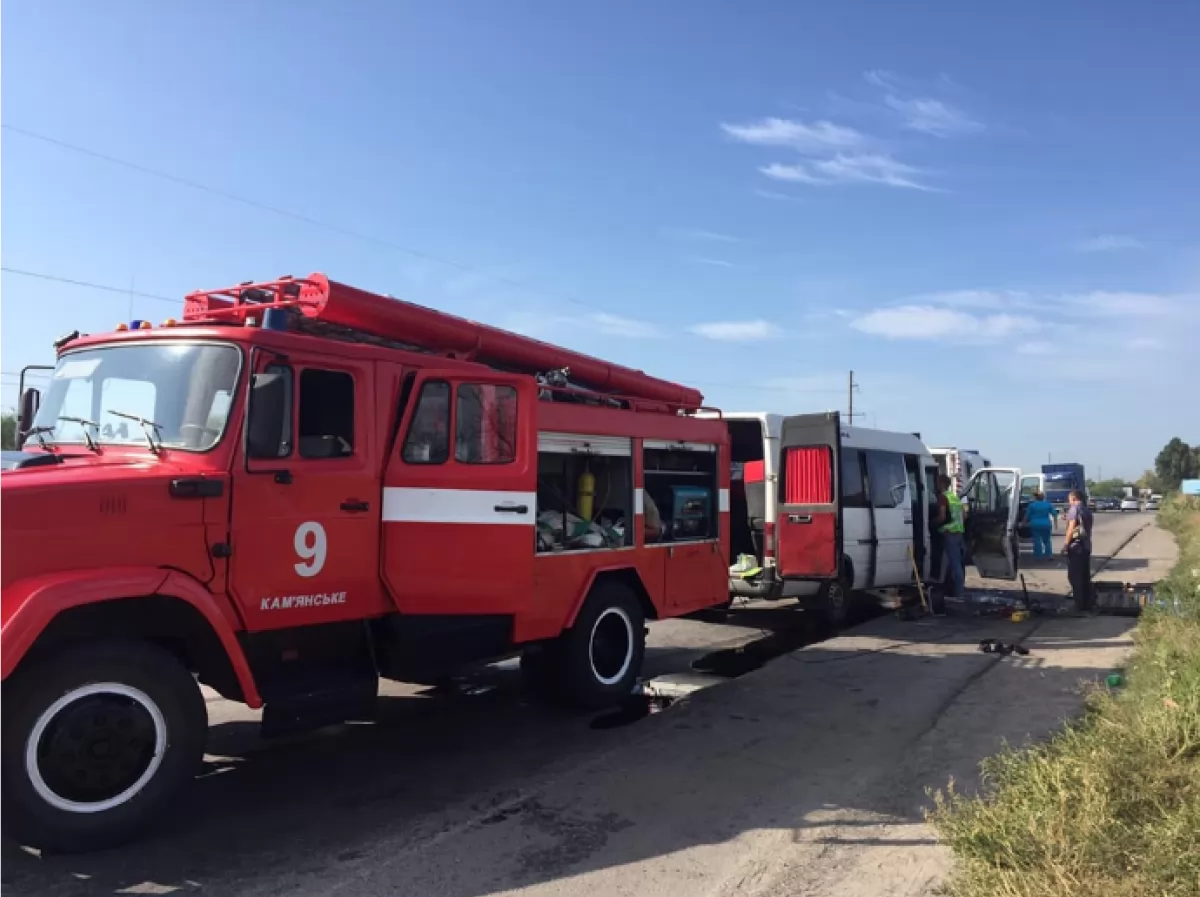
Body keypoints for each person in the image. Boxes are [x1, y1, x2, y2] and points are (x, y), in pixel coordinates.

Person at [936, 474, 966, 603]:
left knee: (955, 564)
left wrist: (931, 523)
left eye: (937, 483)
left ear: (941, 484)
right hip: (959, 532)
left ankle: (959, 594)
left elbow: (942, 517)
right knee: (955, 563)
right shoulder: (954, 497)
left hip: (949, 533)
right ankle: (950, 589)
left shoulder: (943, 498)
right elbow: (964, 515)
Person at [1063, 489, 1094, 611]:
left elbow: (1071, 529)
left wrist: (1066, 544)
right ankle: (1086, 603)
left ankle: (1079, 605)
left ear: (1074, 498)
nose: (1069, 502)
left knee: (1074, 576)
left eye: (1069, 500)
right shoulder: (1086, 510)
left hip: (1076, 547)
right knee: (1084, 576)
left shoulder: (1074, 509)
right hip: (1086, 546)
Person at [1023, 490, 1059, 558]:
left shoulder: (1032, 505)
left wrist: (1023, 523)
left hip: (1035, 524)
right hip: (1046, 524)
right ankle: (1049, 555)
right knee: (1047, 540)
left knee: (1036, 540)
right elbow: (1054, 514)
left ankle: (1038, 555)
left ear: (1035, 498)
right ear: (1043, 497)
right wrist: (1056, 524)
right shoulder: (1048, 504)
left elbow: (1027, 515)